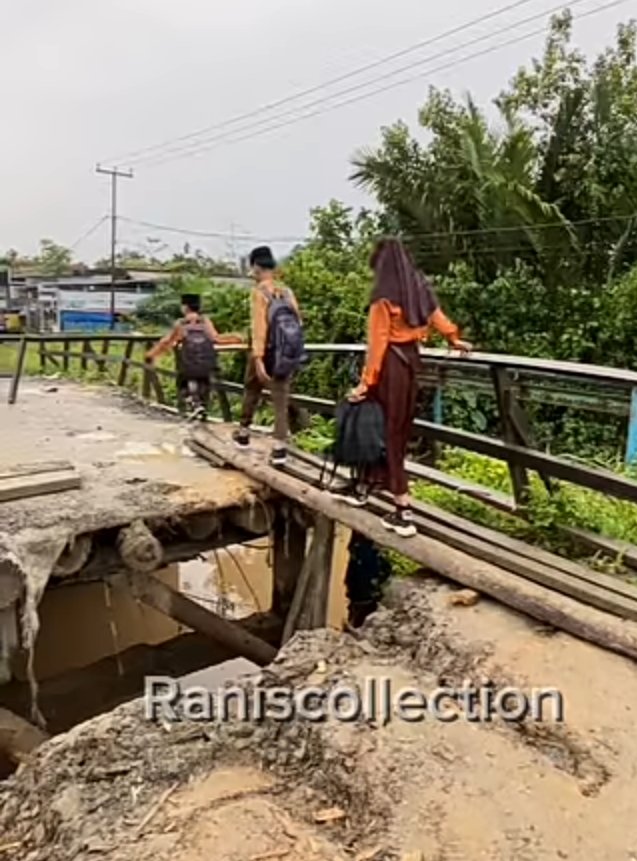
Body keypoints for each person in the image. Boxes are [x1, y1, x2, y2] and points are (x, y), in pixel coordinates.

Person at [333, 238, 471, 537]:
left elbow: (377, 345)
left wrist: (365, 384)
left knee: (383, 433)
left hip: (390, 368)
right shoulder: (419, 288)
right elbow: (440, 319)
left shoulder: (383, 297)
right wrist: (454, 339)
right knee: (396, 431)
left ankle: (403, 510)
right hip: (411, 364)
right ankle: (363, 486)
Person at [232, 246, 302, 467]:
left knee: (252, 388)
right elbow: (298, 322)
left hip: (266, 352)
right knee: (280, 398)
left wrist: (258, 359)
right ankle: (280, 449)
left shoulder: (259, 293)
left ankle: (243, 433)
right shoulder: (287, 292)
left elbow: (259, 329)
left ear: (256, 267)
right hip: (285, 352)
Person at [146, 293, 241, 419]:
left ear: (185, 307)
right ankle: (202, 409)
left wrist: (151, 354)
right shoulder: (205, 321)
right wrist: (236, 338)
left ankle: (195, 405)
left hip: (189, 363)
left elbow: (167, 342)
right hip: (208, 362)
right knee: (204, 383)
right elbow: (216, 338)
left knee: (183, 382)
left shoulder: (181, 323)